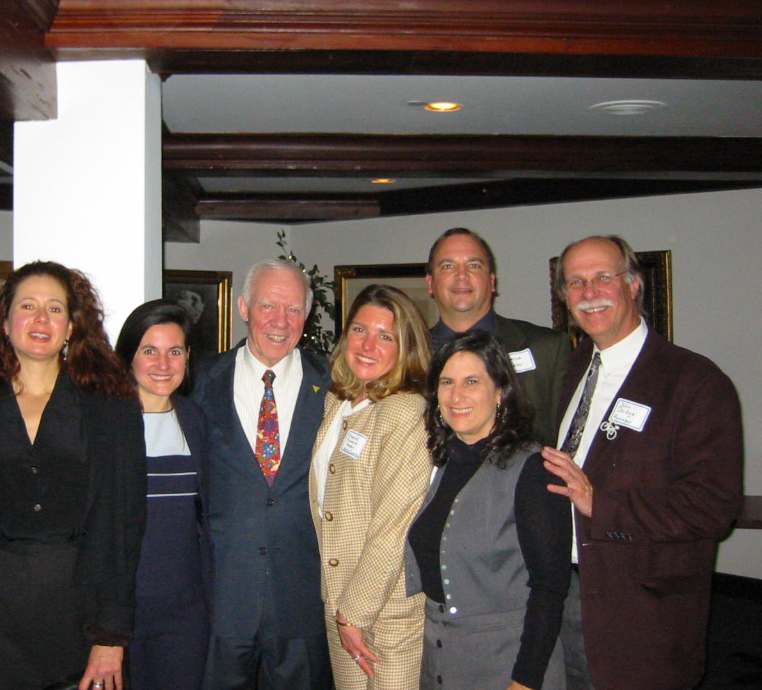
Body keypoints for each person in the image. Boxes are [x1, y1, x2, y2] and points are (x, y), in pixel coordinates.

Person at [542, 236, 743, 690]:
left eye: (603, 278)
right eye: (576, 282)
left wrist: (601, 503)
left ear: (634, 286)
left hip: (643, 619)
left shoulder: (695, 382)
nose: (589, 292)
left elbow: (713, 507)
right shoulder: (575, 368)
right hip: (564, 600)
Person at [0, 261, 145, 690]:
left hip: (81, 612)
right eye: (28, 306)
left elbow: (125, 525)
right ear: (6, 323)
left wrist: (110, 637)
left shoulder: (111, 406)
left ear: (71, 328)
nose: (41, 319)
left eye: (55, 308)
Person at [193, 259, 333, 690]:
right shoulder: (197, 382)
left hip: (302, 597)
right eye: (268, 306)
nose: (280, 321)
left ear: (306, 316)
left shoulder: (335, 384)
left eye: (293, 309)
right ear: (243, 308)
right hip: (220, 597)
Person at [406, 330, 571, 690]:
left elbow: (550, 587)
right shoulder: (446, 460)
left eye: (472, 382)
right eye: (447, 382)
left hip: (508, 665)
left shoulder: (533, 468)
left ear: (499, 392)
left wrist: (524, 681)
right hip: (440, 659)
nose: (457, 395)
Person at [310, 284, 432, 689]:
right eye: (360, 330)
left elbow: (393, 530)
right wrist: (341, 611)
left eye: (386, 336)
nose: (368, 344)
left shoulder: (404, 411)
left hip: (387, 614)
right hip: (340, 603)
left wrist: (354, 614)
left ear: (406, 348)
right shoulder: (339, 403)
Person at [115, 299, 212, 690]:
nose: (163, 364)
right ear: (129, 356)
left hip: (185, 612)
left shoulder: (194, 418)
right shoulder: (107, 424)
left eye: (174, 351)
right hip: (123, 610)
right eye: (149, 351)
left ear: (188, 357)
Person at [426, 228, 571, 445]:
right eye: (448, 266)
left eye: (474, 265)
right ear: (430, 284)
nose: (462, 275)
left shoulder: (548, 349)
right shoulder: (407, 354)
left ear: (492, 282)